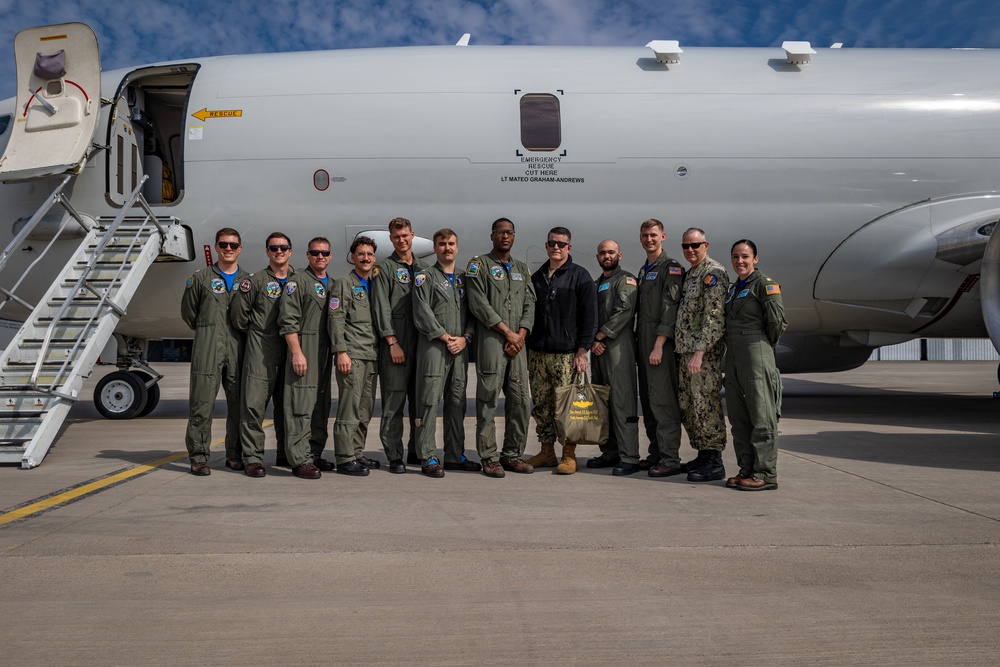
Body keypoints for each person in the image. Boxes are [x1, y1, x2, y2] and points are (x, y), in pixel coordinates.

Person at [465, 217, 536, 478]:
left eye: (509, 232)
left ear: (514, 236)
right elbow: (478, 303)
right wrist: (507, 332)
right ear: (492, 235)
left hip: (518, 344)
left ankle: (512, 454)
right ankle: (489, 457)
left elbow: (530, 303)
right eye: (500, 232)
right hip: (493, 342)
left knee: (519, 401)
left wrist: (520, 334)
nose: (505, 236)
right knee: (487, 401)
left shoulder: (521, 268)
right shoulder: (479, 265)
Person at [523, 227, 597, 475]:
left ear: (569, 247)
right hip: (538, 354)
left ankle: (568, 454)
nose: (556, 247)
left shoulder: (580, 276)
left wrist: (582, 350)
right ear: (546, 245)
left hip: (566, 355)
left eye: (561, 244)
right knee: (542, 406)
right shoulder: (537, 277)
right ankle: (546, 451)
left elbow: (589, 318)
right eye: (552, 243)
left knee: (566, 406)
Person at [412, 228, 480, 478]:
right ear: (435, 248)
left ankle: (454, 455)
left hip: (460, 348)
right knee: (429, 401)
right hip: (434, 347)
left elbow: (474, 312)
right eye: (442, 244)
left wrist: (465, 338)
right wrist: (444, 336)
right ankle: (428, 456)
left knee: (457, 402)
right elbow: (421, 312)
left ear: (457, 247)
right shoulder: (424, 277)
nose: (447, 248)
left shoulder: (465, 278)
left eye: (451, 243)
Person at [181, 228, 249, 476]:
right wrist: (209, 330)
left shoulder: (247, 281)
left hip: (238, 347)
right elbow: (189, 314)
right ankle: (198, 457)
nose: (228, 249)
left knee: (239, 405)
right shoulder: (200, 279)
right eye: (224, 244)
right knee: (202, 404)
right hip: (208, 347)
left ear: (240, 248)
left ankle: (235, 455)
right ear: (216, 247)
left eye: (233, 245)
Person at [724, 239, 787, 491]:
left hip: (756, 351)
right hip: (735, 354)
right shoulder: (733, 288)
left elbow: (777, 323)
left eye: (745, 257)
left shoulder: (765, 285)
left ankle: (765, 473)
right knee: (739, 416)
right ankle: (746, 468)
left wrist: (761, 347)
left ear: (755, 259)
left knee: (762, 414)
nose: (740, 261)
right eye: (736, 257)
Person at [231, 232, 295, 478]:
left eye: (283, 247)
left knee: (287, 406)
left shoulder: (298, 280)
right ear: (267, 252)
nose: (279, 251)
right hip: (262, 349)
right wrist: (258, 334)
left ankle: (285, 453)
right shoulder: (254, 281)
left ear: (290, 251)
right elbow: (238, 315)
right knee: (254, 405)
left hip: (290, 349)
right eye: (274, 248)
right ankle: (253, 458)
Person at [372, 217, 428, 474]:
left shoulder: (424, 268)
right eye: (396, 237)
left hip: (422, 344)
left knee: (421, 402)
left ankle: (417, 450)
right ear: (391, 238)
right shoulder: (383, 269)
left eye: (405, 235)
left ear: (412, 235)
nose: (401, 240)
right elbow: (381, 308)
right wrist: (392, 341)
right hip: (397, 342)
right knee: (394, 402)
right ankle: (395, 455)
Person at [675, 227, 731, 482]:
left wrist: (699, 353)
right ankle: (702, 453)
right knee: (689, 405)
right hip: (685, 352)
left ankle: (714, 461)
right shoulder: (691, 275)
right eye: (686, 246)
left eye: (695, 245)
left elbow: (714, 318)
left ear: (705, 245)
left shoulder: (713, 273)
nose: (690, 250)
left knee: (705, 404)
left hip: (702, 355)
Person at [278, 237, 334, 480]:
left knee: (320, 405)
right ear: (308, 255)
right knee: (300, 405)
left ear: (330, 256)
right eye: (315, 253)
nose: (320, 257)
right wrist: (296, 352)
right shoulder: (297, 282)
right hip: (306, 347)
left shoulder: (332, 284)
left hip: (325, 351)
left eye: (324, 253)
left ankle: (313, 453)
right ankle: (299, 459)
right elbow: (288, 320)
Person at [635, 218, 686, 477]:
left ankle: (670, 459)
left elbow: (670, 309)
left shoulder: (671, 268)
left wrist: (658, 345)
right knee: (648, 400)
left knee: (663, 401)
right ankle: (656, 453)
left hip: (659, 346)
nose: (649, 239)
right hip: (644, 344)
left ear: (663, 237)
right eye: (645, 235)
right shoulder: (645, 269)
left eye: (653, 235)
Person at [587, 240, 642, 476]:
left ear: (619, 254)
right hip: (599, 350)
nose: (606, 256)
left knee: (622, 400)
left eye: (611, 252)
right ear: (597, 256)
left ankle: (629, 456)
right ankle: (609, 452)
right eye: (602, 253)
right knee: (602, 402)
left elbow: (624, 311)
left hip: (618, 347)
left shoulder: (626, 280)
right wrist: (592, 341)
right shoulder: (596, 283)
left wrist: (600, 336)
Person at [329, 237, 382, 476]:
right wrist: (341, 351)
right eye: (361, 253)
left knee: (364, 409)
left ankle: (357, 453)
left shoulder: (374, 284)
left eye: (370, 254)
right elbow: (336, 319)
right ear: (352, 256)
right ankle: (344, 457)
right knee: (349, 409)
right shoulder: (344, 284)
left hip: (371, 355)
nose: (366, 258)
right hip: (352, 355)